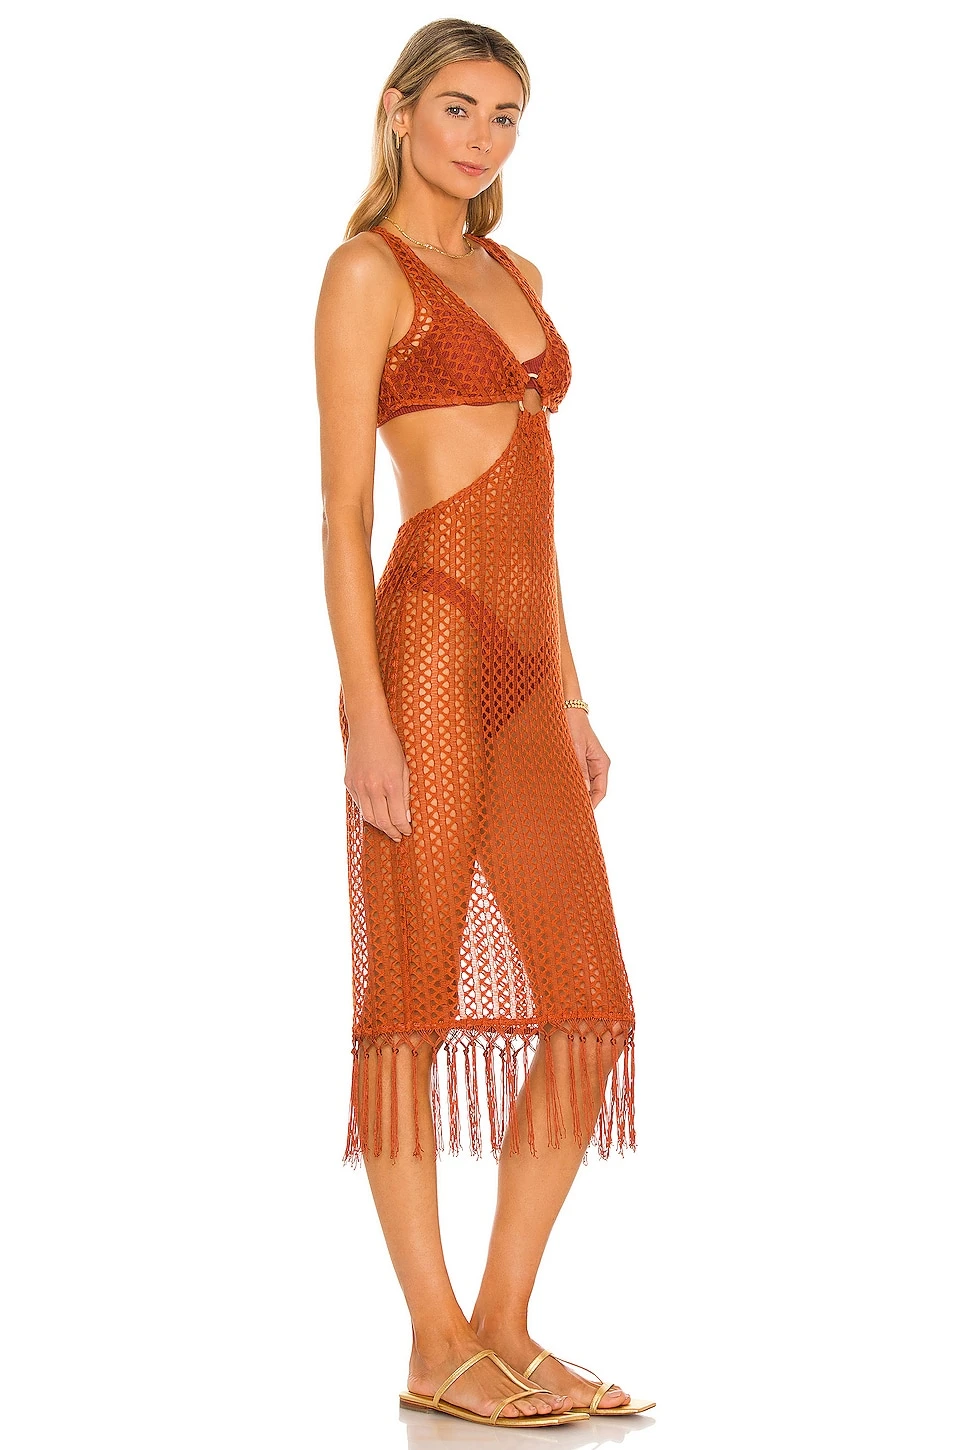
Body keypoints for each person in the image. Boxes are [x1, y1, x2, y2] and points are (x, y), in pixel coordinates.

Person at [314, 17, 653, 1431]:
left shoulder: (517, 276)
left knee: (589, 1005)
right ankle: (433, 1340)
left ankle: (504, 1326)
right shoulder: (364, 273)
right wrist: (367, 714)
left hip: (522, 669)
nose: (482, 138)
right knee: (410, 1002)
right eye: (458, 108)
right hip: (430, 644)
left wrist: (571, 693)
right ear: (399, 112)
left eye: (506, 116)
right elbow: (342, 511)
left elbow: (542, 515)